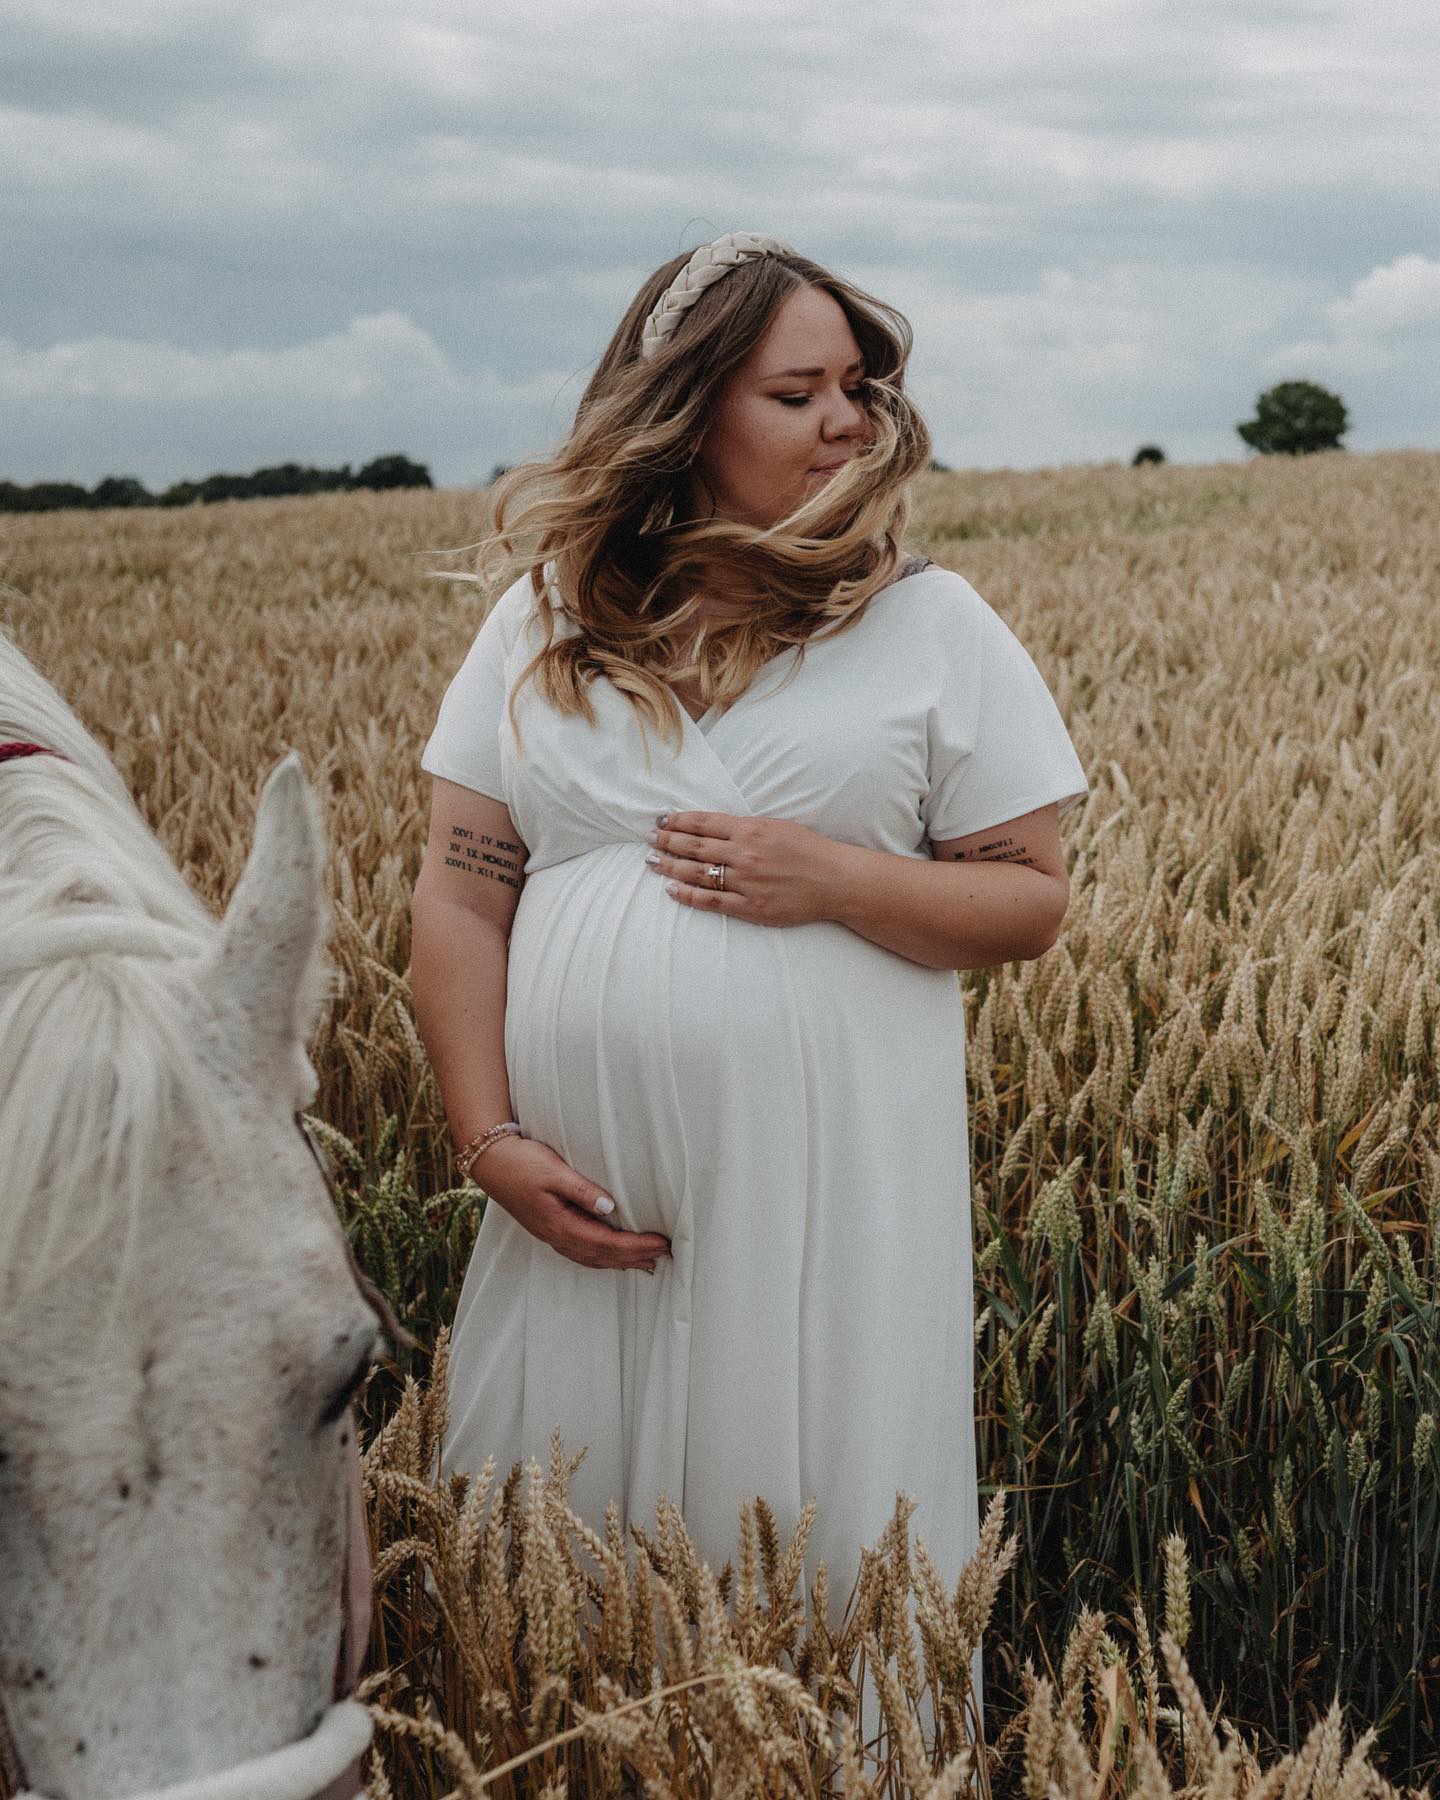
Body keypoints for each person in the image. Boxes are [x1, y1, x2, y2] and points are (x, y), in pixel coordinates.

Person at [410, 233, 1088, 1685]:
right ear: (684, 410)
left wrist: (833, 878)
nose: (846, 422)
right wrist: (488, 1141)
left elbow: (1030, 900)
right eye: (797, 394)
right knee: (562, 1584)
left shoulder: (928, 623)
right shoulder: (541, 623)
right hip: (580, 1218)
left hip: (829, 1207)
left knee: (818, 1556)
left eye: (857, 388)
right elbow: (463, 897)